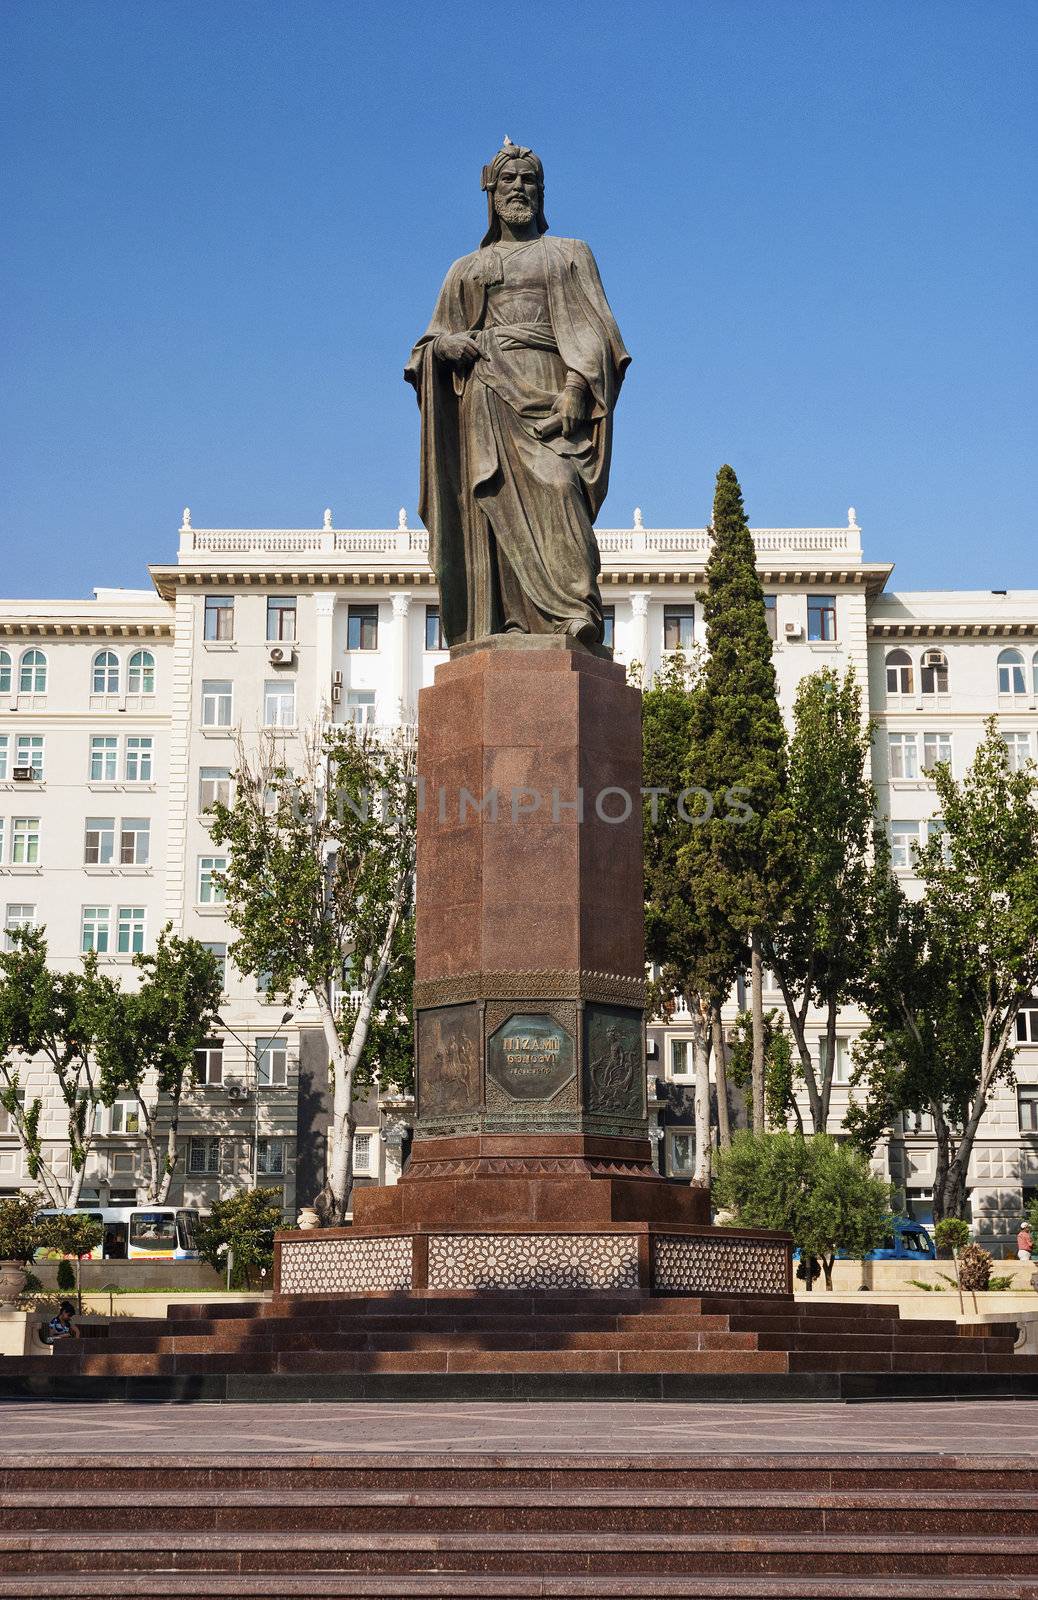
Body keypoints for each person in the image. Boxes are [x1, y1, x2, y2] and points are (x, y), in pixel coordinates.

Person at [406, 139, 630, 648]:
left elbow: (598, 333)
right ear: (491, 191)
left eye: (529, 180)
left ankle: (574, 610)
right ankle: (508, 620)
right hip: (486, 400)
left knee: (559, 485)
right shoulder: (464, 269)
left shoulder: (568, 254)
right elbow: (426, 345)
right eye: (509, 180)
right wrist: (445, 347)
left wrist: (578, 388)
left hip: (552, 397)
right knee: (491, 506)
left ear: (542, 191)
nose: (519, 188)